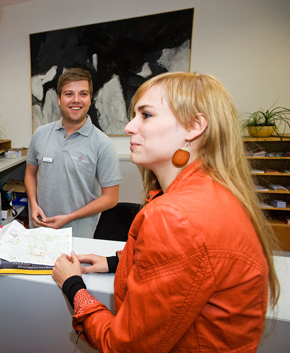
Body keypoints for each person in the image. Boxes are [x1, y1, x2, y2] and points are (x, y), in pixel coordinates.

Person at [52, 72, 280, 352]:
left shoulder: (175, 216)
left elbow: (123, 345)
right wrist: (117, 262)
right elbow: (193, 263)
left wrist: (73, 285)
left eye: (146, 115)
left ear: (193, 127)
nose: (129, 127)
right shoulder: (211, 193)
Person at [25, 67, 121, 237]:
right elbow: (30, 174)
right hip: (40, 230)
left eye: (83, 94)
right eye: (69, 94)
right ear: (59, 99)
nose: (76, 100)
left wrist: (70, 217)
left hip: (78, 234)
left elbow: (111, 198)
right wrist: (33, 204)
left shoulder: (103, 144)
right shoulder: (40, 134)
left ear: (90, 99)